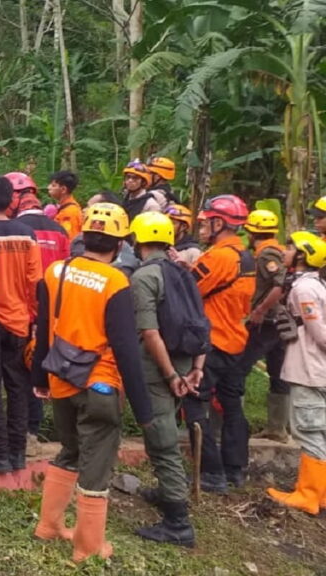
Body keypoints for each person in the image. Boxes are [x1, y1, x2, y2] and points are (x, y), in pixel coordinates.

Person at [31, 202, 153, 564]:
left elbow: (42, 331)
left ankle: (48, 526)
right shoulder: (116, 282)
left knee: (69, 451)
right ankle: (88, 547)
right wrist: (144, 413)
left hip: (61, 379)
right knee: (96, 468)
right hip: (99, 384)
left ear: (83, 236)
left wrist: (39, 378)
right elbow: (127, 350)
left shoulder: (55, 272)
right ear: (120, 244)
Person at [129, 212, 201, 548]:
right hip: (186, 363)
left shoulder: (144, 277)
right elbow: (202, 324)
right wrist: (195, 368)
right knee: (167, 425)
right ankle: (166, 491)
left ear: (136, 240)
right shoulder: (183, 273)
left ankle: (177, 523)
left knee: (162, 440)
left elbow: (149, 331)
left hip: (159, 370)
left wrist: (170, 374)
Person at [184, 195, 255, 492]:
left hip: (214, 342)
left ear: (219, 223)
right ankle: (235, 469)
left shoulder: (218, 257)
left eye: (205, 222)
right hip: (236, 342)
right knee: (232, 406)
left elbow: (190, 290)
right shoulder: (245, 255)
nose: (200, 227)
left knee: (194, 404)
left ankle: (211, 473)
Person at [0, 176, 42, 473]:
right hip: (19, 321)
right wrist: (35, 320)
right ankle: (18, 453)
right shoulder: (27, 235)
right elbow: (35, 282)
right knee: (17, 387)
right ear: (12, 201)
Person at [266, 231, 326, 515]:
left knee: (309, 429)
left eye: (290, 247)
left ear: (302, 255)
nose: (285, 251)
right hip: (314, 369)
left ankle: (308, 495)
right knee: (319, 431)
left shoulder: (304, 290)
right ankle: (319, 495)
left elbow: (321, 334)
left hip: (310, 370)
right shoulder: (313, 286)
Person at [12, 183, 70, 454]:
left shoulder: (17, 230)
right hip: (53, 313)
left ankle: (22, 433)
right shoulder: (59, 229)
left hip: (22, 310)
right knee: (44, 368)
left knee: (18, 373)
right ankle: (44, 430)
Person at [237, 210, 290, 444]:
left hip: (265, 322)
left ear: (252, 231)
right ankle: (277, 428)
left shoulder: (266, 253)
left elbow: (280, 283)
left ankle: (232, 424)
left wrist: (259, 310)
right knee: (278, 372)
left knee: (237, 369)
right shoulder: (277, 249)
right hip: (277, 323)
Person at [48, 170, 83, 239]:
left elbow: (69, 238)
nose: (48, 187)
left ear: (63, 189)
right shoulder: (65, 208)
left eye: (53, 185)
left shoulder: (69, 212)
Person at [165, 204, 202, 268]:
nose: (167, 226)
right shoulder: (161, 247)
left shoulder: (193, 252)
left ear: (183, 227)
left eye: (173, 223)